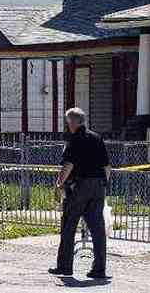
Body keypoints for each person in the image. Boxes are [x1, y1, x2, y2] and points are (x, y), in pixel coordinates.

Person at [48, 107, 111, 279]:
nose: (67, 126)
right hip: (98, 186)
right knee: (98, 229)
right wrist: (103, 184)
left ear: (73, 123)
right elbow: (107, 166)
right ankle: (99, 269)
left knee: (68, 225)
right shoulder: (97, 138)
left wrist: (59, 183)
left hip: (79, 186)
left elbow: (68, 164)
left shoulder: (74, 139)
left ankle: (65, 267)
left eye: (68, 122)